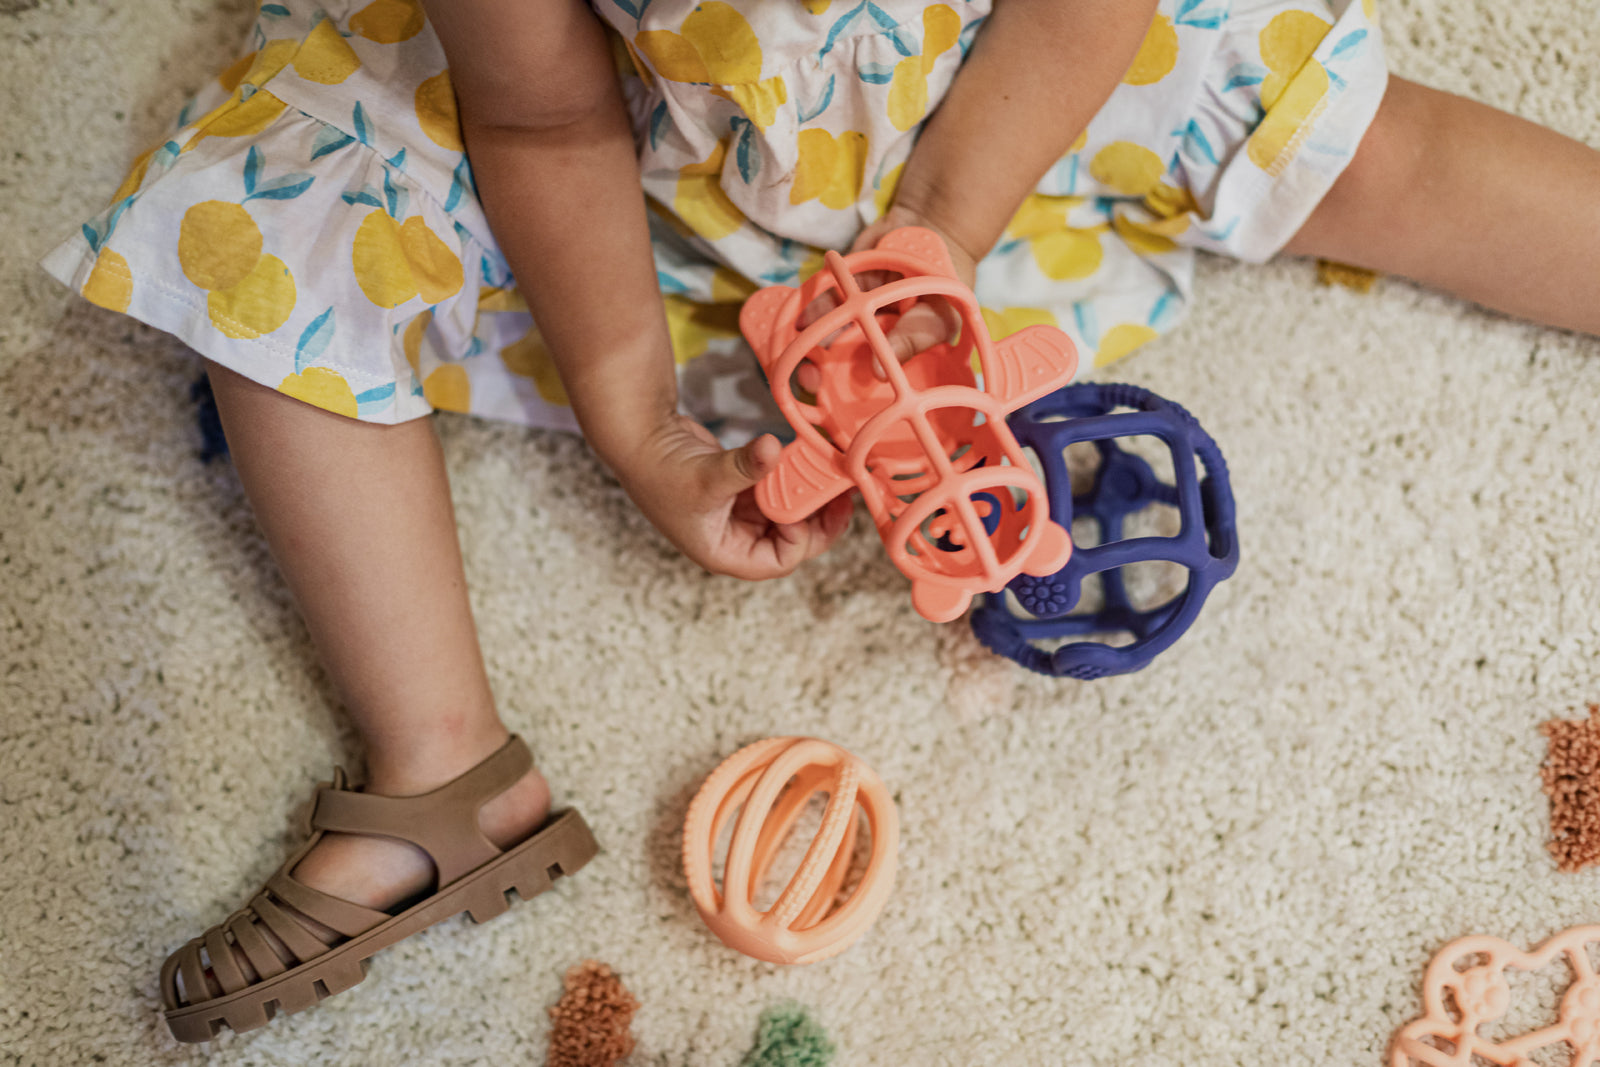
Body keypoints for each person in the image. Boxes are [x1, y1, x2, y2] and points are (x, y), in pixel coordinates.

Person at [39, 0, 1600, 1042]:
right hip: (660, 165)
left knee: (1360, 141)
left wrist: (944, 231)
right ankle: (441, 762)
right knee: (258, 225)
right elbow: (540, 122)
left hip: (1010, 101)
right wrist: (636, 418)